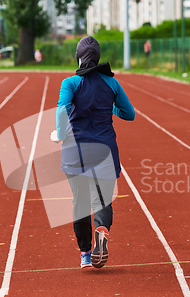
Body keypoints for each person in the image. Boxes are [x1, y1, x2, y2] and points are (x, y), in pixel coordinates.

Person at [52, 36, 135, 269]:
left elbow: (62, 110)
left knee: (80, 201)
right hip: (105, 151)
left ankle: (86, 254)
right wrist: (112, 107)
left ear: (78, 57)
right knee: (102, 201)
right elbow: (129, 114)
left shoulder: (70, 83)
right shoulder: (112, 83)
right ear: (97, 57)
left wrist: (60, 133)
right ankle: (102, 228)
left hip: (75, 151)